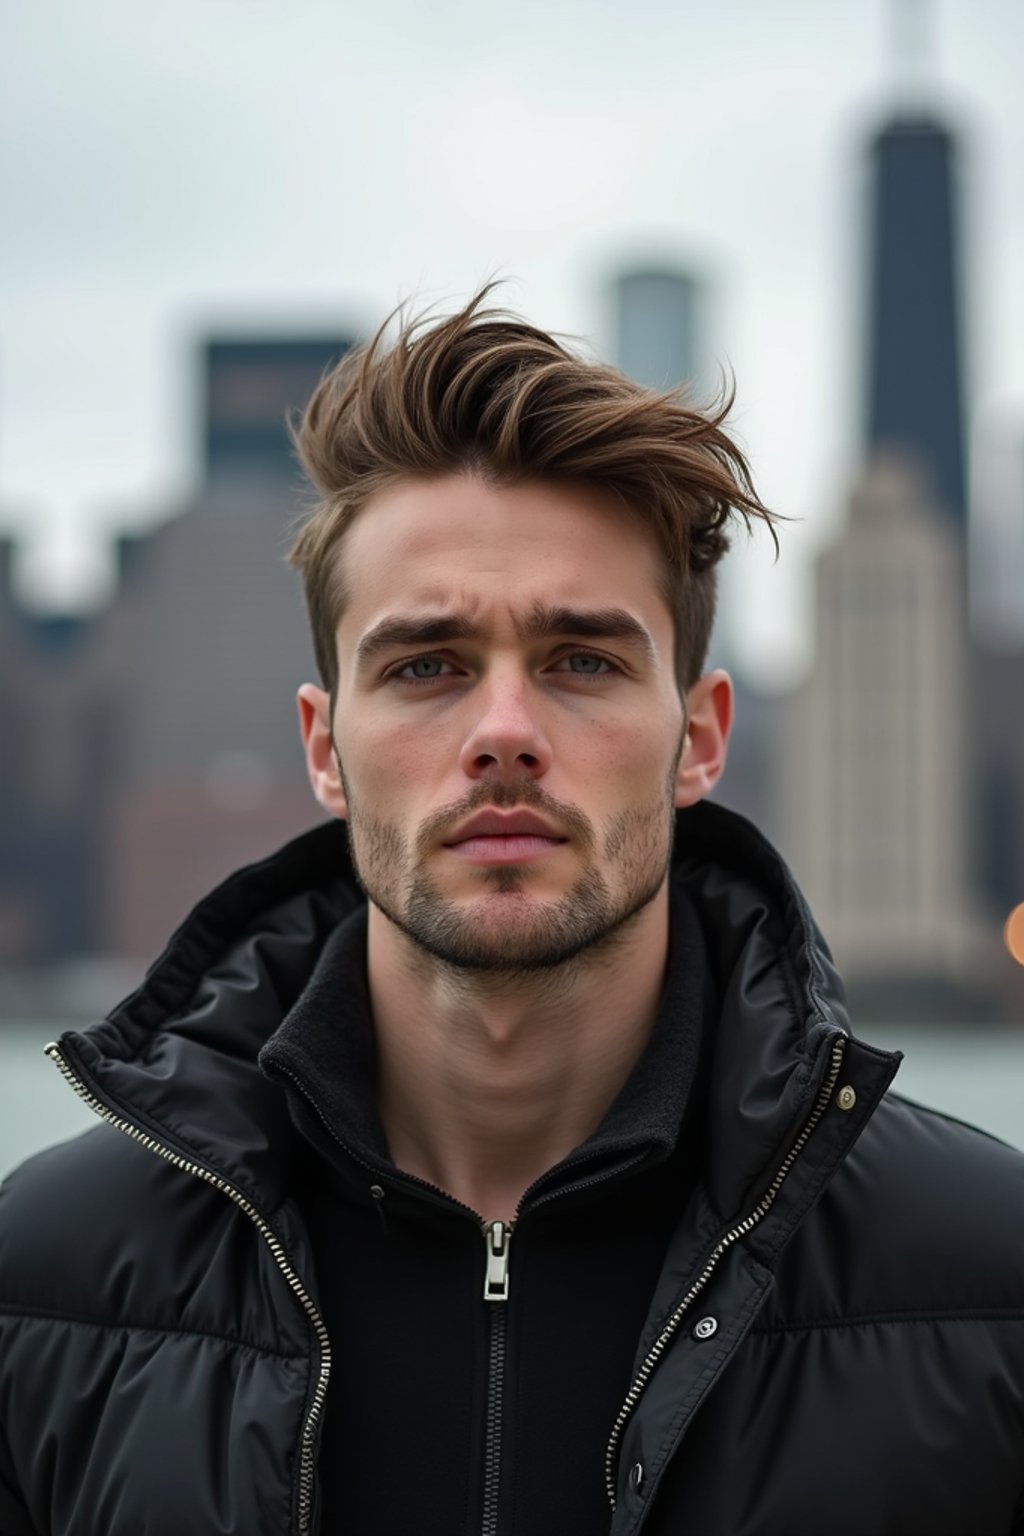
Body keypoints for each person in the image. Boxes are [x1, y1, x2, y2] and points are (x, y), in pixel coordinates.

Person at [1, 293, 1022, 1536]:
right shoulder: (38, 1280)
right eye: (424, 665)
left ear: (698, 738)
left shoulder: (991, 1276)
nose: (501, 736)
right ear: (325, 749)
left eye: (582, 660)